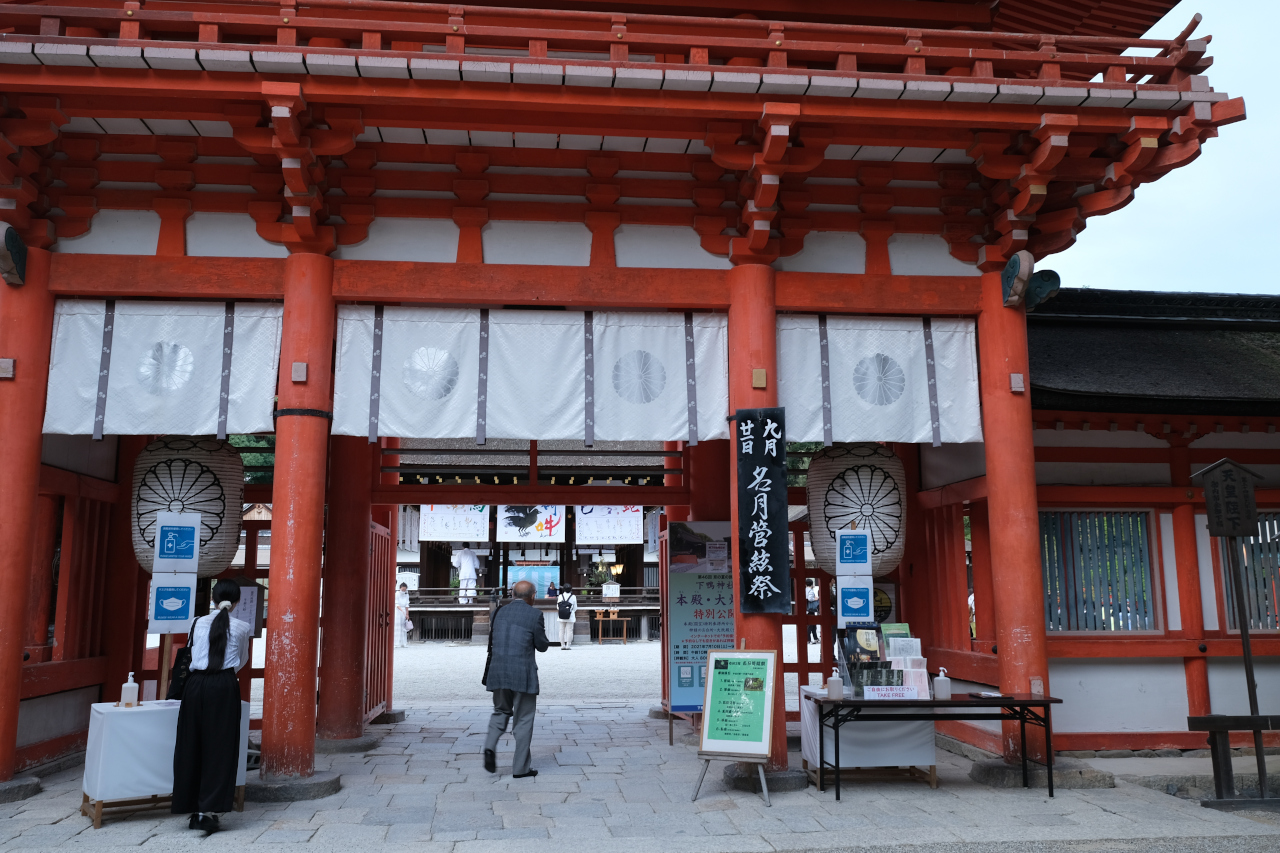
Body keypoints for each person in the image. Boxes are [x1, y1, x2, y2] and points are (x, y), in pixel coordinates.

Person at [172, 579, 252, 835]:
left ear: (213, 601)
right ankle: (208, 809)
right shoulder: (242, 627)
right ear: (237, 602)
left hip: (195, 686)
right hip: (224, 686)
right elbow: (241, 660)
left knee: (190, 743)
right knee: (220, 746)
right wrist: (224, 676)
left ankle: (190, 804)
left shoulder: (196, 622)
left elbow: (192, 652)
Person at [481, 579, 548, 778]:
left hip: (499, 670)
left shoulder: (498, 613)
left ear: (512, 595)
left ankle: (490, 745)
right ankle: (520, 768)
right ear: (533, 596)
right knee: (524, 718)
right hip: (523, 673)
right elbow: (542, 645)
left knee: (500, 710)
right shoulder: (535, 614)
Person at [555, 584, 578, 650]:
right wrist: (570, 611)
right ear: (570, 589)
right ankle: (568, 645)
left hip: (561, 616)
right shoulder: (573, 597)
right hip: (570, 616)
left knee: (561, 630)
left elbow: (558, 607)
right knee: (569, 631)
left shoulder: (560, 596)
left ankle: (562, 645)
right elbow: (575, 608)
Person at [395, 582, 411, 647]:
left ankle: (403, 642)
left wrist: (407, 613)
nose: (403, 591)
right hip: (398, 610)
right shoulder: (397, 594)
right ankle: (396, 642)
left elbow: (407, 604)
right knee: (397, 626)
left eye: (404, 589)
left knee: (403, 626)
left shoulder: (406, 594)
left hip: (404, 610)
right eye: (402, 589)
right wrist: (401, 610)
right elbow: (396, 603)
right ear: (400, 588)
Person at [805, 579, 820, 644]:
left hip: (807, 609)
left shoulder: (805, 590)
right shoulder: (810, 591)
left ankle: (815, 638)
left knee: (813, 624)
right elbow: (810, 599)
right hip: (811, 609)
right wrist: (815, 598)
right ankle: (808, 639)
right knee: (811, 625)